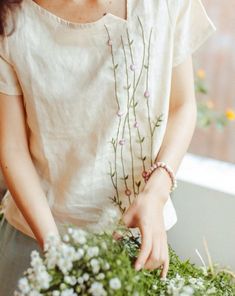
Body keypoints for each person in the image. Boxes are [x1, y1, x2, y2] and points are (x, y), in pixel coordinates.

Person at [0, 0, 216, 294]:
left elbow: (182, 106)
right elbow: (12, 148)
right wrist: (56, 250)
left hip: (138, 243)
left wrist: (156, 194)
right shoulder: (11, 22)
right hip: (34, 243)